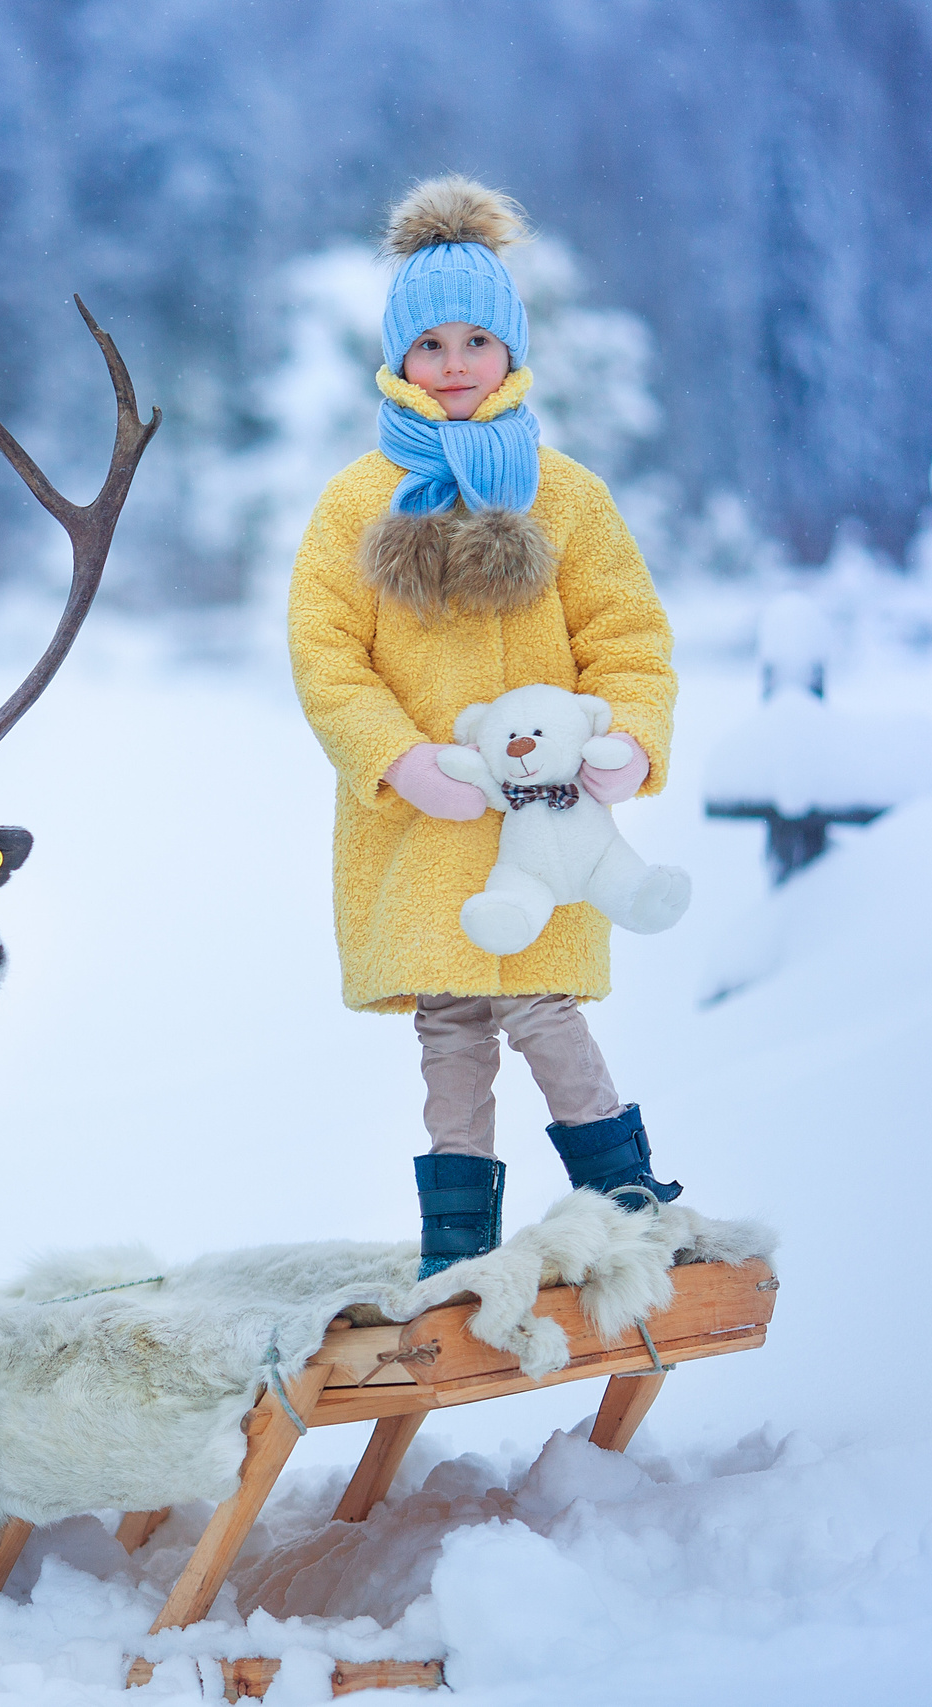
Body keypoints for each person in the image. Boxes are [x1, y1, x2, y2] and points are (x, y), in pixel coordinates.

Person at [286, 176, 683, 1277]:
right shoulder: (358, 501)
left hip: (544, 827)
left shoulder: (567, 497)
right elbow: (326, 656)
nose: (454, 364)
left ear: (510, 350)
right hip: (422, 833)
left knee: (544, 1008)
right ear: (397, 359)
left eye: (475, 341)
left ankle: (628, 1201)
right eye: (429, 345)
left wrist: (630, 737)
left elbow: (627, 636)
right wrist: (395, 758)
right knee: (452, 1027)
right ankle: (457, 1242)